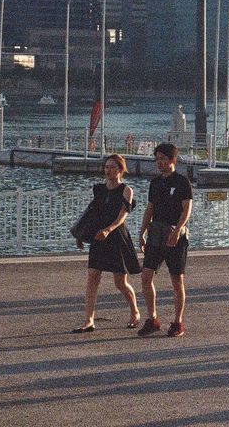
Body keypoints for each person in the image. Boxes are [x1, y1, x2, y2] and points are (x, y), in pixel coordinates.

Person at [72, 154, 142, 333]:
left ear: (120, 169)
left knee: (120, 282)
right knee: (93, 277)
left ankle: (135, 311)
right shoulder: (98, 189)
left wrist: (109, 230)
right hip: (98, 236)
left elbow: (122, 215)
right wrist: (80, 234)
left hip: (116, 237)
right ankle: (88, 320)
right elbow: (91, 213)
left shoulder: (126, 190)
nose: (108, 170)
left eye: (112, 167)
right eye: (106, 167)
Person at [136, 143, 193, 337]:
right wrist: (142, 231)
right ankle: (152, 318)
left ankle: (178, 322)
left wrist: (178, 230)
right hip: (156, 233)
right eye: (157, 159)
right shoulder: (155, 183)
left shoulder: (182, 182)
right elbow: (150, 208)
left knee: (177, 280)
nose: (159, 163)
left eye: (163, 159)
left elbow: (186, 209)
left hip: (174, 234)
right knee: (146, 276)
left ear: (173, 160)